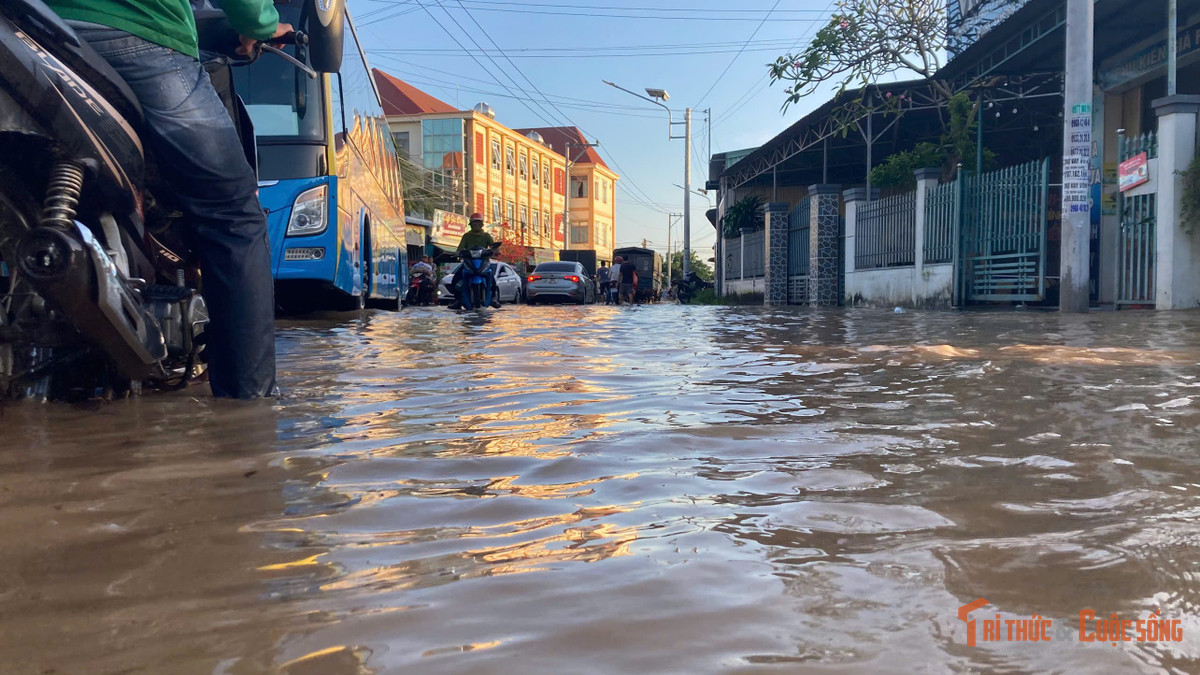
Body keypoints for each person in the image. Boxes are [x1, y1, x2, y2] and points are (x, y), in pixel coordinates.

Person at [43, 0, 288, 398]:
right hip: (136, 31)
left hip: (25, 22)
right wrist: (260, 23)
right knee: (234, 217)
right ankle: (250, 407)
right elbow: (250, 10)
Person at [449, 213, 501, 309]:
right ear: (471, 224)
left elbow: (493, 246)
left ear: (482, 224)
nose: (476, 225)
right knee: (456, 278)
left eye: (478, 223)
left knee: (492, 280)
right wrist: (458, 252)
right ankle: (458, 300)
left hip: (483, 262)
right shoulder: (466, 236)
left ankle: (493, 299)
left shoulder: (486, 236)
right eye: (474, 223)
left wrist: (496, 250)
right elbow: (460, 247)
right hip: (468, 262)